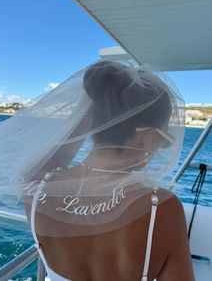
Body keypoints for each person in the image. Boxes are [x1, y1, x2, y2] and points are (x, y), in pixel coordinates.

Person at [23, 61, 195, 281]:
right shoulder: (160, 207)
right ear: (147, 135)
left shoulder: (37, 187)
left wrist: (96, 111)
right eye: (163, 138)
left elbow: (36, 166)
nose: (164, 146)